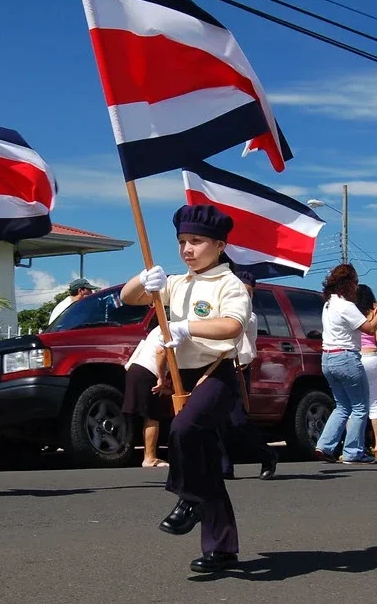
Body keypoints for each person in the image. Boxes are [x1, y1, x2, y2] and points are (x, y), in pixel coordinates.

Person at [120, 204, 251, 574]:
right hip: (182, 375)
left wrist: (186, 328)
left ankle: (188, 497)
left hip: (218, 372)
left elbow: (231, 327)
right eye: (181, 242)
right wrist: (144, 279)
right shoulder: (175, 283)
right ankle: (222, 549)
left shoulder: (230, 285)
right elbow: (129, 298)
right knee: (206, 461)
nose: (187, 249)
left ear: (220, 245)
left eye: (196, 241)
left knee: (183, 429)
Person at [315, 264, 377, 464]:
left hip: (327, 358)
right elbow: (370, 329)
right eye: (355, 282)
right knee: (360, 406)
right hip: (346, 358)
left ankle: (324, 445)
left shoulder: (328, 304)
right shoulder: (346, 306)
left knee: (342, 405)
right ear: (348, 284)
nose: (357, 287)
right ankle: (353, 452)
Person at [220, 270, 278, 481]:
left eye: (248, 293)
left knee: (238, 420)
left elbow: (233, 328)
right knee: (219, 419)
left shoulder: (249, 317)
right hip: (216, 367)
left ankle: (267, 454)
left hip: (239, 369)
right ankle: (224, 465)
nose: (244, 297)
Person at [123, 325, 172, 468]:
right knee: (152, 415)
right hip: (149, 371)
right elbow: (160, 351)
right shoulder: (173, 328)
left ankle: (144, 454)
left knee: (142, 414)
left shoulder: (158, 328)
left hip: (135, 368)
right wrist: (161, 379)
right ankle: (149, 458)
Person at [356, 284, 377, 459]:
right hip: (372, 357)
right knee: (375, 402)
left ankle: (356, 443)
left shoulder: (351, 312)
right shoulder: (375, 312)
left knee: (355, 404)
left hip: (355, 358)